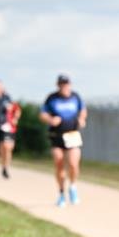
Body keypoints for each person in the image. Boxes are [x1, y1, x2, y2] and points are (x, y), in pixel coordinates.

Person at [40, 74, 87, 207]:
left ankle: (72, 186)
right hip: (57, 136)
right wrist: (50, 120)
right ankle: (61, 193)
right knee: (59, 163)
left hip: (72, 134)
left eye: (66, 84)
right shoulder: (52, 98)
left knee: (73, 163)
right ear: (58, 85)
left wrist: (82, 119)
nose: (64, 86)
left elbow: (83, 110)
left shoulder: (75, 97)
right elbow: (42, 114)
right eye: (62, 84)